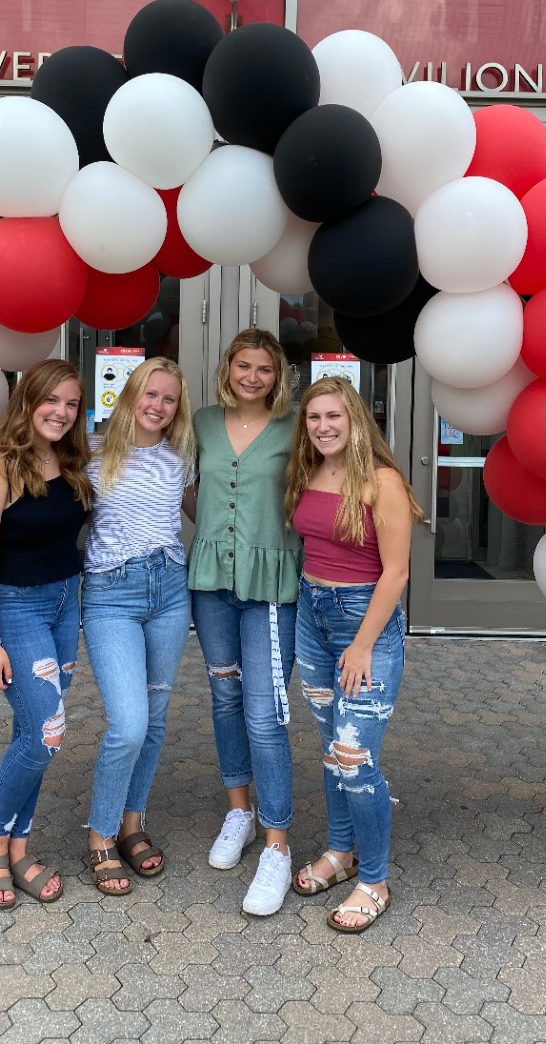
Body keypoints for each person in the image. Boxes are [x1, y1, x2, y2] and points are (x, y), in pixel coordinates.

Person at [285, 376, 423, 933]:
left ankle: (375, 880)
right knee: (330, 750)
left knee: (353, 753)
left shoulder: (382, 481)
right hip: (312, 615)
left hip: (365, 622)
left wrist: (363, 644)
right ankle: (340, 852)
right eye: (314, 417)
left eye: (333, 416)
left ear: (355, 420)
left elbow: (397, 572)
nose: (323, 427)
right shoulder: (309, 471)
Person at [0, 359, 91, 909]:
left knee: (33, 731)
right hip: (17, 608)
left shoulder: (70, 460)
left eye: (72, 403)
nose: (61, 412)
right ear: (27, 401)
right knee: (46, 733)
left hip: (64, 604)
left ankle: (19, 848)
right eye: (51, 400)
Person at [185, 329, 301, 916]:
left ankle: (278, 845)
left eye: (264, 368)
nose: (252, 377)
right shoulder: (203, 422)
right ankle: (240, 813)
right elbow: (188, 489)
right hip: (211, 585)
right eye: (243, 366)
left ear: (278, 375)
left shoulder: (297, 425)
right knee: (225, 698)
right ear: (227, 368)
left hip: (271, 587)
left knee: (265, 713)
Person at [82, 355, 197, 895]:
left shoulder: (181, 457)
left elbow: (210, 512)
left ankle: (133, 824)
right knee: (128, 724)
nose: (158, 405)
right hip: (111, 594)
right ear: (130, 394)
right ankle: (100, 834)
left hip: (169, 590)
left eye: (169, 399)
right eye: (150, 394)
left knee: (153, 720)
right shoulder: (91, 451)